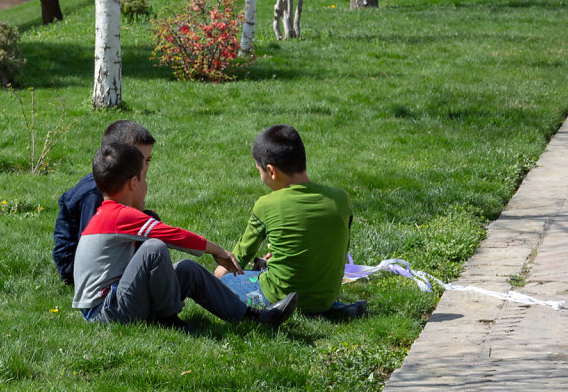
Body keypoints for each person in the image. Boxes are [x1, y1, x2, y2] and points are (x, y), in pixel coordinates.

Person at [72, 142, 299, 330]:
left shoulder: (110, 213)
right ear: (133, 183)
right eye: (144, 178)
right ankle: (168, 320)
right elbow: (174, 236)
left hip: (117, 302)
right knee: (154, 248)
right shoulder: (119, 215)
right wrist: (218, 250)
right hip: (105, 312)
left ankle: (254, 317)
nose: (146, 184)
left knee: (187, 269)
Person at [215, 125, 360, 317]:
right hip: (325, 299)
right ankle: (334, 310)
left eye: (259, 171)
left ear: (271, 171)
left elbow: (236, 260)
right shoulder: (341, 199)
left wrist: (216, 277)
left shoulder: (267, 205)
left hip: (279, 296)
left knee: (220, 284)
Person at [53, 121, 155, 285]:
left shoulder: (122, 182)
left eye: (147, 160)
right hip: (77, 265)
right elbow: (91, 242)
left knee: (150, 221)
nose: (143, 167)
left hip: (104, 251)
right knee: (147, 227)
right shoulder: (94, 194)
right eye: (137, 159)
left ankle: (146, 278)